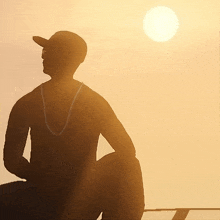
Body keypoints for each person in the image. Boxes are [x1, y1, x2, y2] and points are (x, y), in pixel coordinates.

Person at [0, 31, 144, 220]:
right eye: (44, 51)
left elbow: (12, 160)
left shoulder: (27, 102)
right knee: (128, 164)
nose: (43, 56)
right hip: (72, 199)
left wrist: (45, 177)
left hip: (56, 199)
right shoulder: (95, 102)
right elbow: (126, 148)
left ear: (64, 57)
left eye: (48, 51)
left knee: (128, 164)